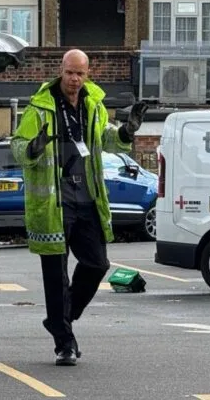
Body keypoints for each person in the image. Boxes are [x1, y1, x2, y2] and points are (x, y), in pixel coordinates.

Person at [11, 50, 146, 365]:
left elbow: (106, 139)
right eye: (70, 72)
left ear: (87, 74)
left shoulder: (93, 105)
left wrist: (127, 131)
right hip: (53, 204)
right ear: (61, 70)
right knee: (55, 278)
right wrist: (34, 146)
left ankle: (61, 318)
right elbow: (17, 146)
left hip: (87, 199)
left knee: (97, 264)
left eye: (80, 74)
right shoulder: (40, 107)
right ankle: (65, 344)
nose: (74, 79)